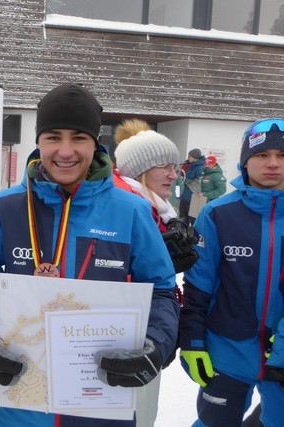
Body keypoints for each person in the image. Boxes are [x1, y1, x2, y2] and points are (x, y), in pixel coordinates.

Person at [0, 83, 179, 427]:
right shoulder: (4, 208)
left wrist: (155, 345)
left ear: (96, 143)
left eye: (78, 137)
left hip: (101, 405)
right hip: (19, 407)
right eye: (53, 137)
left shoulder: (132, 211)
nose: (65, 151)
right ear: (38, 142)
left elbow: (162, 291)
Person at [179, 118, 284, 427]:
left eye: (281, 156)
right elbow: (198, 286)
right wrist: (193, 341)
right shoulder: (218, 214)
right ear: (245, 161)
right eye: (262, 155)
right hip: (227, 351)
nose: (273, 164)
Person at [113, 118, 196, 426]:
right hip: (130, 332)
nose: (174, 175)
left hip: (148, 327)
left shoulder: (154, 206)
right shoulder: (133, 205)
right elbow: (113, 273)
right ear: (140, 170)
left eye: (175, 167)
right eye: (166, 166)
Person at [179, 148, 206, 224]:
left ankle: (193, 235)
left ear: (194, 157)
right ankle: (183, 234)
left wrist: (184, 180)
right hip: (185, 196)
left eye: (189, 156)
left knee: (194, 219)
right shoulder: (191, 166)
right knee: (183, 218)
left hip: (194, 197)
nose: (188, 158)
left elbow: (198, 182)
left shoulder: (200, 168)